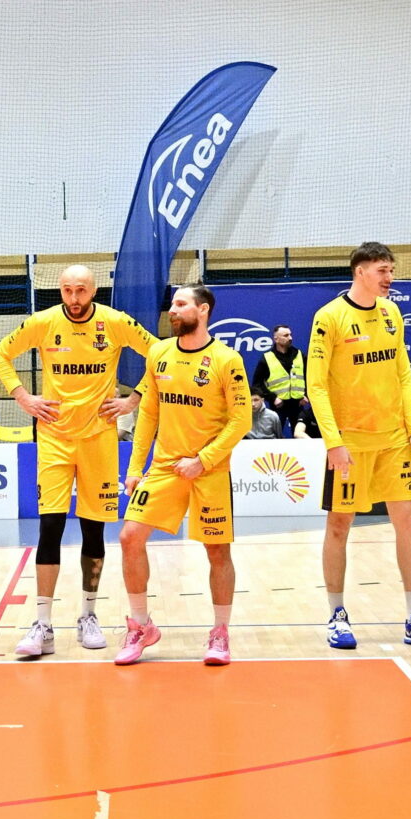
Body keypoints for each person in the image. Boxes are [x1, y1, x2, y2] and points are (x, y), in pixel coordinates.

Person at [0, 264, 151, 659]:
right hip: (54, 439)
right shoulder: (43, 322)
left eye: (81, 291)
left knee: (94, 531)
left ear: (94, 290)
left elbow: (162, 355)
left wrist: (135, 398)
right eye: (67, 290)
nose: (74, 299)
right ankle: (42, 624)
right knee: (50, 528)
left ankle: (88, 616)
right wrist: (23, 397)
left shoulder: (115, 322)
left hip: (99, 440)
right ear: (59, 291)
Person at [307, 242, 411, 652]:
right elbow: (316, 385)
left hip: (394, 440)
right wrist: (333, 441)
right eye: (383, 270)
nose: (389, 278)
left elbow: (403, 375)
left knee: (409, 524)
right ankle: (336, 615)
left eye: (391, 270)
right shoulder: (329, 317)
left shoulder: (392, 313)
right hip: (350, 443)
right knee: (339, 526)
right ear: (360, 271)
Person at [116, 285, 253, 666]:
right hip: (165, 467)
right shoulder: (159, 353)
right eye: (172, 305)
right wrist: (134, 468)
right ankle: (141, 626)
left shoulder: (227, 360)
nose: (173, 310)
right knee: (129, 537)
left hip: (209, 470)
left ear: (203, 310)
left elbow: (241, 420)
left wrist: (203, 460)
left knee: (217, 551)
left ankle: (220, 632)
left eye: (181, 304)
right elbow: (148, 413)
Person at [253, 324, 311, 437]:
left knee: (300, 437)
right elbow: (257, 384)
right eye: (286, 335)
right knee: (274, 437)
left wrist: (306, 395)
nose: (290, 338)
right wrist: (272, 398)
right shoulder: (267, 358)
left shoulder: (299, 355)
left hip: (298, 404)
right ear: (276, 339)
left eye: (290, 335)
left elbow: (309, 377)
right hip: (278, 405)